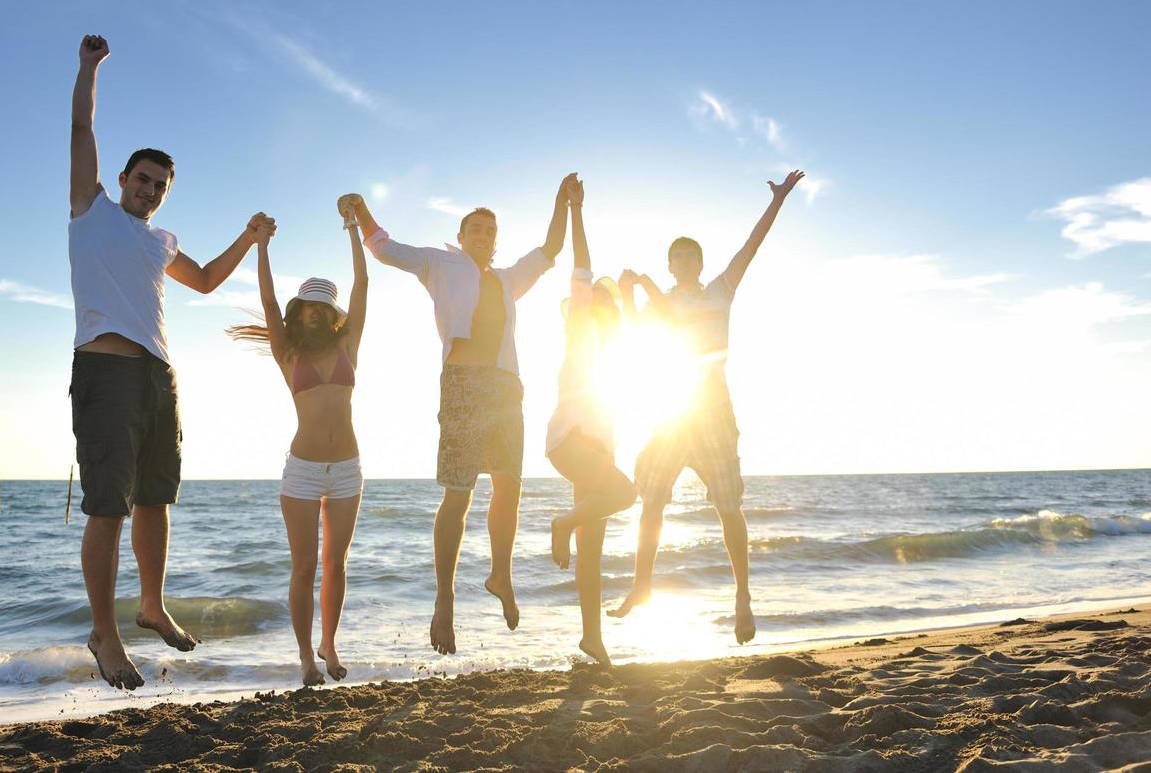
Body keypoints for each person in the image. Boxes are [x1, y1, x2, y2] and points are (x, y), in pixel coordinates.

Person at [68, 34, 266, 690]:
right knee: (108, 508)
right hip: (106, 373)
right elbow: (81, 126)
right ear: (123, 180)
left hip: (158, 376)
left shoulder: (161, 240)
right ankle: (106, 633)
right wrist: (89, 67)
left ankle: (151, 604)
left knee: (156, 499)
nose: (150, 190)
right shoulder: (90, 209)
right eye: (142, 179)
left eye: (160, 186)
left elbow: (207, 279)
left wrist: (250, 235)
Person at [339, 175, 573, 655]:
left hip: (507, 388)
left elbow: (551, 248)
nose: (485, 236)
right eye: (476, 229)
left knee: (509, 482)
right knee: (459, 492)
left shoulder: (509, 279)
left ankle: (500, 575)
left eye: (491, 230)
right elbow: (384, 248)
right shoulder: (439, 263)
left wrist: (561, 199)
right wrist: (361, 210)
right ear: (461, 236)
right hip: (463, 386)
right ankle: (444, 599)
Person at [609, 170, 806, 645]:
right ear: (671, 265)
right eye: (678, 256)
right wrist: (626, 292)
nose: (685, 261)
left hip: (714, 411)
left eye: (692, 255)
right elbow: (634, 332)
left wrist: (777, 201)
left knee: (728, 506)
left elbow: (751, 247)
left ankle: (742, 597)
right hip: (673, 412)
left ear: (700, 262)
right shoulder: (664, 302)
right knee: (651, 498)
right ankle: (642, 585)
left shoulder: (721, 289)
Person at [227, 203, 368, 687]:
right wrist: (261, 246)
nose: (312, 313)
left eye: (320, 307)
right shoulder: (287, 353)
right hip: (303, 470)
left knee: (337, 563)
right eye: (305, 306)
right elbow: (267, 303)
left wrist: (353, 229)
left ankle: (330, 642)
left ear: (330, 314)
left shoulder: (348, 345)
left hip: (348, 468)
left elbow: (363, 288)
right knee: (305, 566)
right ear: (299, 311)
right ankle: (307, 658)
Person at [544, 176, 638, 666]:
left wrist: (631, 289)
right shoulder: (579, 328)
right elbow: (582, 267)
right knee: (626, 494)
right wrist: (577, 209)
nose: (599, 301)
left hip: (596, 451)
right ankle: (560, 523)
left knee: (593, 553)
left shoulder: (615, 350)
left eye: (607, 300)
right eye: (595, 297)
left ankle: (592, 639)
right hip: (570, 442)